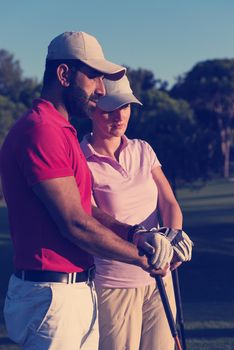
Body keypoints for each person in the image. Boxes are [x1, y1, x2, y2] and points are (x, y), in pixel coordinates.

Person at [0, 31, 174, 350]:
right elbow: (74, 223)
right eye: (93, 77)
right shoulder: (41, 130)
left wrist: (135, 234)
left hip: (77, 291)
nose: (101, 89)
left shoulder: (62, 131)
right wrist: (141, 257)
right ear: (64, 74)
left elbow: (86, 210)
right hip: (51, 297)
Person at [80, 75, 193, 350]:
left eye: (126, 107)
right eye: (109, 110)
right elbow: (90, 213)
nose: (119, 118)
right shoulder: (82, 159)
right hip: (114, 284)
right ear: (91, 109)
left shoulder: (143, 150)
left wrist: (175, 234)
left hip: (159, 278)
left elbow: (168, 202)